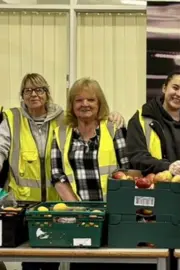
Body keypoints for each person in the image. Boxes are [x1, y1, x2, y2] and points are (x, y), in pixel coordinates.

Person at [0, 73, 123, 270]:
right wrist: (80, 211)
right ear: (21, 95)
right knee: (32, 263)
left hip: (63, 208)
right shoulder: (12, 119)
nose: (34, 94)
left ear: (47, 94)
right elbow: (57, 174)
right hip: (27, 209)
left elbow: (124, 170)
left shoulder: (63, 120)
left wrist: (115, 115)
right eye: (28, 90)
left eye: (39, 89)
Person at [50, 78, 130, 270]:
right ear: (71, 105)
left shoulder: (114, 129)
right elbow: (57, 175)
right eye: (79, 100)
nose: (85, 104)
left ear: (99, 104)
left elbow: (128, 171)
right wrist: (79, 210)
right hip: (79, 216)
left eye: (91, 100)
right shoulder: (61, 133)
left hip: (114, 216)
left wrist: (111, 210)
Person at [127, 71, 180, 178]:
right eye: (175, 87)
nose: (179, 94)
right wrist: (167, 167)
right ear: (164, 88)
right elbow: (136, 157)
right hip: (151, 189)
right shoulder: (141, 118)